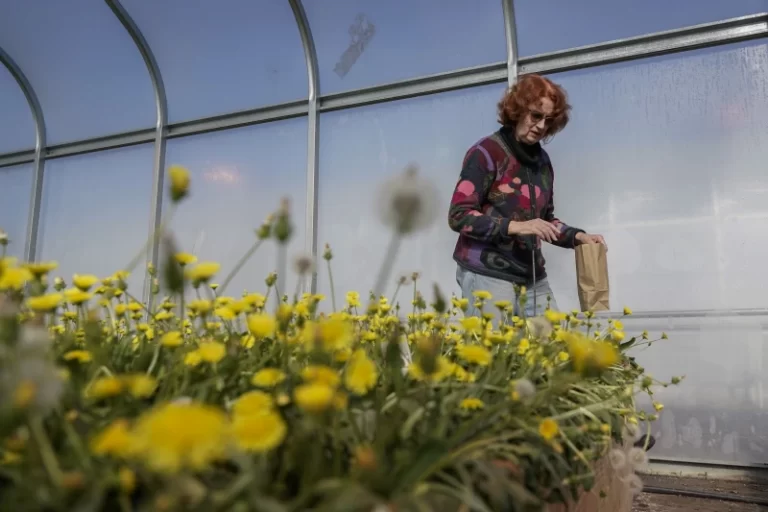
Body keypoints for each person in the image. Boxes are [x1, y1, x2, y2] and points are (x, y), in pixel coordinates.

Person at [448, 73, 605, 320]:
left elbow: (545, 220)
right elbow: (459, 215)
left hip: (532, 276)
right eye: (536, 115)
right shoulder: (486, 153)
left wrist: (578, 236)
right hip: (488, 275)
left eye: (549, 119)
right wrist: (517, 227)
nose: (542, 126)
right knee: (497, 356)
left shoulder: (542, 162)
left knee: (553, 348)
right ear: (517, 110)